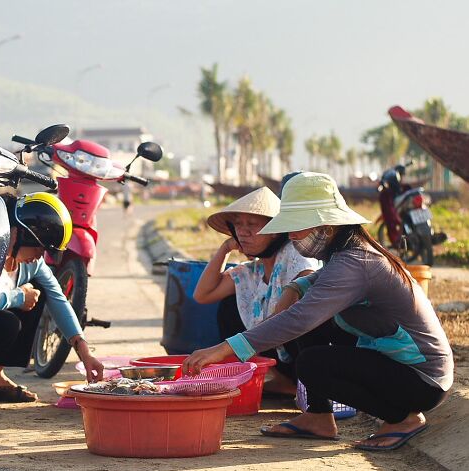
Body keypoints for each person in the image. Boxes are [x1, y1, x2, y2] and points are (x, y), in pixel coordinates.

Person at [183, 172, 453, 451]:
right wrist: (295, 287)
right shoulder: (346, 254)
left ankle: (402, 419)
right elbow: (314, 284)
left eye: (298, 226)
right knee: (310, 330)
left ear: (327, 225)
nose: (293, 235)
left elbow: (299, 319)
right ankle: (318, 417)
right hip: (397, 361)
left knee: (313, 364)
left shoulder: (355, 261)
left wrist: (225, 349)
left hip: (423, 378)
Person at [0, 192, 104, 409]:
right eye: (39, 248)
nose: (41, 256)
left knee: (40, 291)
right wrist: (18, 296)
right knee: (7, 320)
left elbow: (58, 299)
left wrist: (84, 351)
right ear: (22, 234)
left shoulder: (32, 264)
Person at [193, 186, 320, 396]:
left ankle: (302, 385)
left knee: (299, 319)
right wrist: (225, 248)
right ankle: (283, 381)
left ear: (275, 230)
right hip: (277, 350)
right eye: (238, 225)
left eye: (252, 225)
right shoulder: (254, 271)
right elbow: (203, 295)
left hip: (306, 352)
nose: (243, 231)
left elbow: (306, 284)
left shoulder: (294, 254)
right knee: (228, 306)